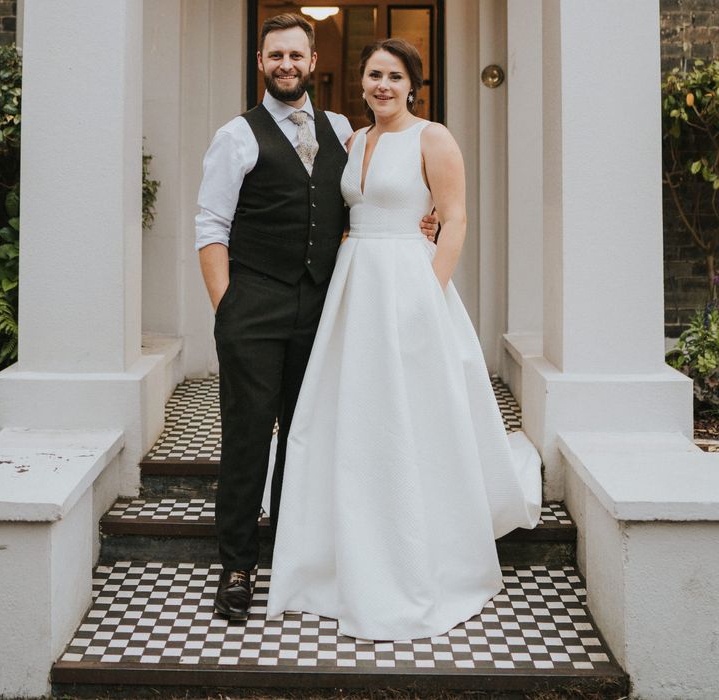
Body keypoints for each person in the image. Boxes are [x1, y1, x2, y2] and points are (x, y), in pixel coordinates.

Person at [266, 38, 542, 641]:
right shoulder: (353, 141)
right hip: (353, 285)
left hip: (409, 286)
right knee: (350, 415)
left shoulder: (434, 137)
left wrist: (428, 294)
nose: (382, 85)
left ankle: (420, 550)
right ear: (360, 83)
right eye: (373, 75)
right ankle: (338, 548)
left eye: (394, 76)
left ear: (413, 84)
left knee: (411, 417)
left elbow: (455, 217)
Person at [195, 15, 437, 621]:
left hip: (324, 308)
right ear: (261, 61)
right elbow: (211, 226)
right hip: (253, 306)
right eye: (275, 54)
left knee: (310, 433)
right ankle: (239, 565)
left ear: (311, 61)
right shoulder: (236, 135)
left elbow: (373, 193)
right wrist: (227, 307)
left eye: (296, 55)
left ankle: (293, 549)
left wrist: (421, 225)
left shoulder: (341, 131)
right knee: (250, 434)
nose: (286, 64)